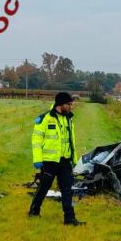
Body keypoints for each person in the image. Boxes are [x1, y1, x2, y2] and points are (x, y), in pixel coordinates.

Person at [28, 91, 83, 226]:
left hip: (65, 160)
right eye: (69, 104)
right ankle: (34, 211)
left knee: (67, 189)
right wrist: (37, 159)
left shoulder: (69, 119)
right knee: (44, 187)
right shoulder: (45, 118)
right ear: (60, 104)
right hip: (50, 161)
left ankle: (69, 218)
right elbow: (36, 140)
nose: (71, 106)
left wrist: (73, 159)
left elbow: (71, 141)